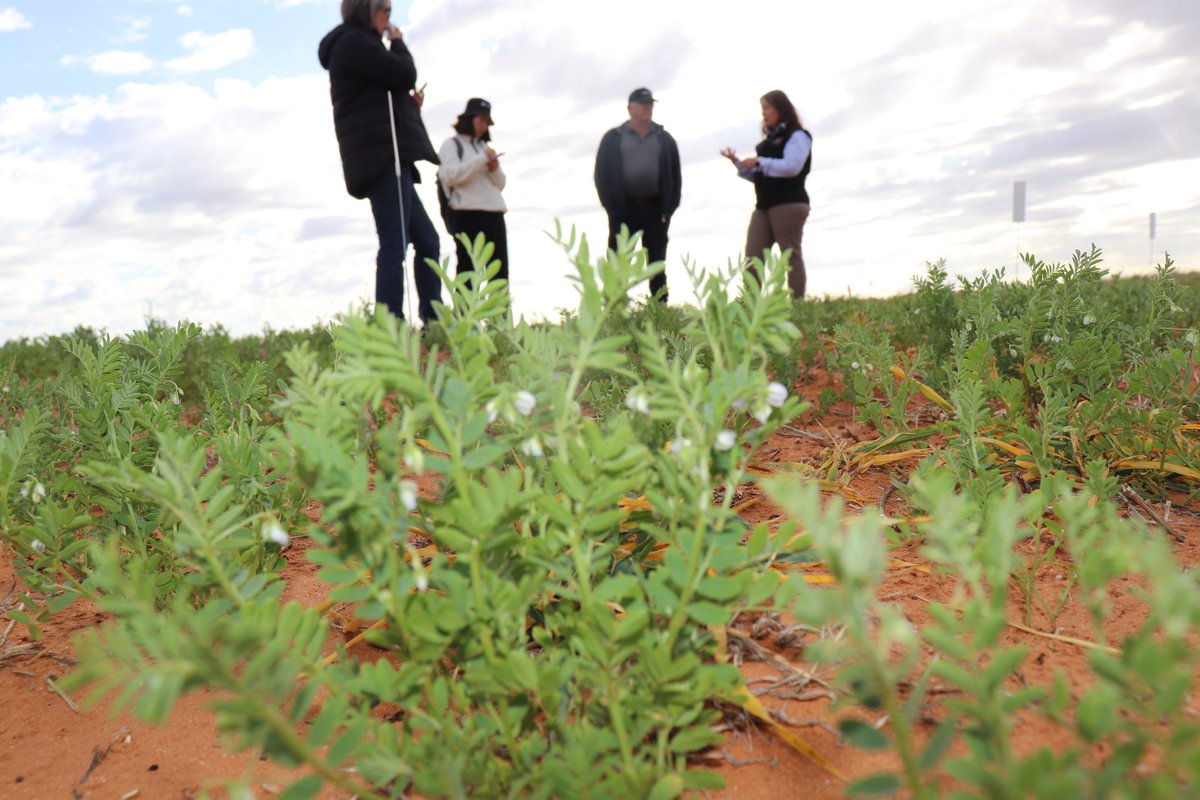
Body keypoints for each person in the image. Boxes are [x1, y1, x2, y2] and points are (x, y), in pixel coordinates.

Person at [318, 0, 442, 324]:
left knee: (427, 240)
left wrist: (410, 107)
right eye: (385, 8)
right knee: (394, 244)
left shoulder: (359, 45)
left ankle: (433, 323)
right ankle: (390, 328)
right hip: (381, 159)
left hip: (387, 156)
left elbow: (382, 96)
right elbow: (403, 75)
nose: (389, 15)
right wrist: (397, 42)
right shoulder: (353, 43)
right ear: (366, 9)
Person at [721, 89, 812, 299]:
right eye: (762, 109)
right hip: (763, 205)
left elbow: (792, 167)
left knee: (789, 256)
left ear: (781, 108)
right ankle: (749, 307)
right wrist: (739, 163)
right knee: (752, 257)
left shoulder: (798, 136)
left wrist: (759, 161)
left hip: (789, 203)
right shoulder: (766, 143)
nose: (764, 113)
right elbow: (761, 175)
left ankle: (797, 305)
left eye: (767, 108)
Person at [594, 88, 682, 303]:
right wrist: (612, 208)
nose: (647, 108)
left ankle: (660, 310)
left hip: (655, 211)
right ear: (630, 108)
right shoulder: (613, 138)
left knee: (656, 265)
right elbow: (601, 175)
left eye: (650, 104)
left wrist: (668, 209)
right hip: (623, 211)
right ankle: (614, 311)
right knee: (617, 264)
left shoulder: (664, 138)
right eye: (643, 104)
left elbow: (675, 175)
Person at [437, 98, 509, 282]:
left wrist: (494, 167)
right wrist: (481, 159)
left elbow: (500, 184)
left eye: (487, 122)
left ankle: (500, 303)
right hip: (467, 214)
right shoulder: (451, 145)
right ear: (469, 118)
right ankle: (465, 303)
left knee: (500, 275)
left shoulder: (484, 147)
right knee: (468, 272)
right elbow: (451, 176)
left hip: (494, 213)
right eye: (481, 120)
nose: (484, 125)